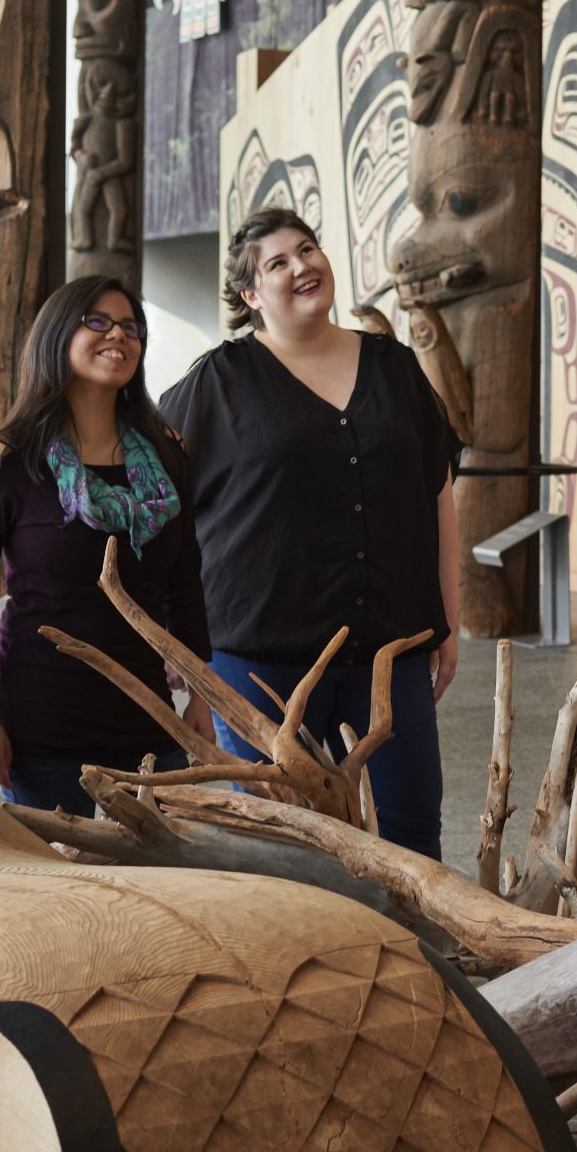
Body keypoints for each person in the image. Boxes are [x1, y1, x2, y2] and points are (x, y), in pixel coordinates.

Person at [160, 207, 464, 860]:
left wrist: (449, 621)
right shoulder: (216, 383)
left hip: (391, 648)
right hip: (257, 655)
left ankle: (415, 959)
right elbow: (157, 509)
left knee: (412, 832)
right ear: (249, 295)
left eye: (307, 249)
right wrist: (174, 633)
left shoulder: (394, 367)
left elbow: (436, 489)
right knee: (279, 845)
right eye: (277, 262)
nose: (302, 266)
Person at [0, 276, 213, 817]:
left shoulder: (167, 455)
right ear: (56, 335)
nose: (118, 334)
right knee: (59, 890)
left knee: (155, 892)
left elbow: (185, 582)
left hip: (148, 720)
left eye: (131, 326)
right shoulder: (4, 458)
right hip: (40, 720)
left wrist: (203, 701)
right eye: (98, 321)